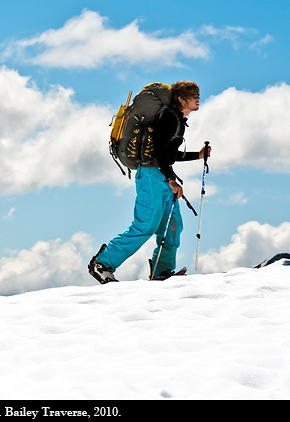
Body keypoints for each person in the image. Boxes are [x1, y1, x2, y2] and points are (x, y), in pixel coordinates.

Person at [89, 81, 211, 283]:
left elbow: (169, 154)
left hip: (162, 176)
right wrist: (171, 179)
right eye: (192, 94)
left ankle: (161, 272)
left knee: (172, 228)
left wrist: (197, 156)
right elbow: (158, 151)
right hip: (151, 176)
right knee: (145, 225)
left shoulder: (178, 119)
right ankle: (102, 263)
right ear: (181, 99)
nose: (198, 97)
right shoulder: (169, 117)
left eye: (198, 93)